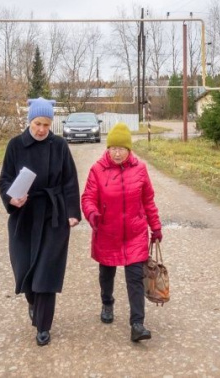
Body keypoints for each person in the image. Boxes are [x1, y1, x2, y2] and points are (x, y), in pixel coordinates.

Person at [0, 97, 81, 346]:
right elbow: (4, 180)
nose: (42, 129)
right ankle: (33, 303)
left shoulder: (60, 146)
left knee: (47, 272)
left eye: (46, 124)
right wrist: (12, 199)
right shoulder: (15, 146)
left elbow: (70, 181)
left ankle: (44, 326)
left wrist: (72, 211)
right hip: (24, 216)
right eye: (37, 123)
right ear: (29, 121)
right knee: (25, 270)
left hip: (53, 215)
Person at [81, 122, 163, 342]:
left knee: (135, 278)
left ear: (129, 149)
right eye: (113, 148)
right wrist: (92, 214)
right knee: (106, 274)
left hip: (135, 233)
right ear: (107, 149)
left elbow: (148, 201)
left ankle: (137, 323)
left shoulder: (140, 169)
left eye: (121, 149)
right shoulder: (97, 170)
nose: (117, 153)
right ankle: (107, 303)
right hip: (107, 231)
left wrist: (155, 227)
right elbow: (87, 198)